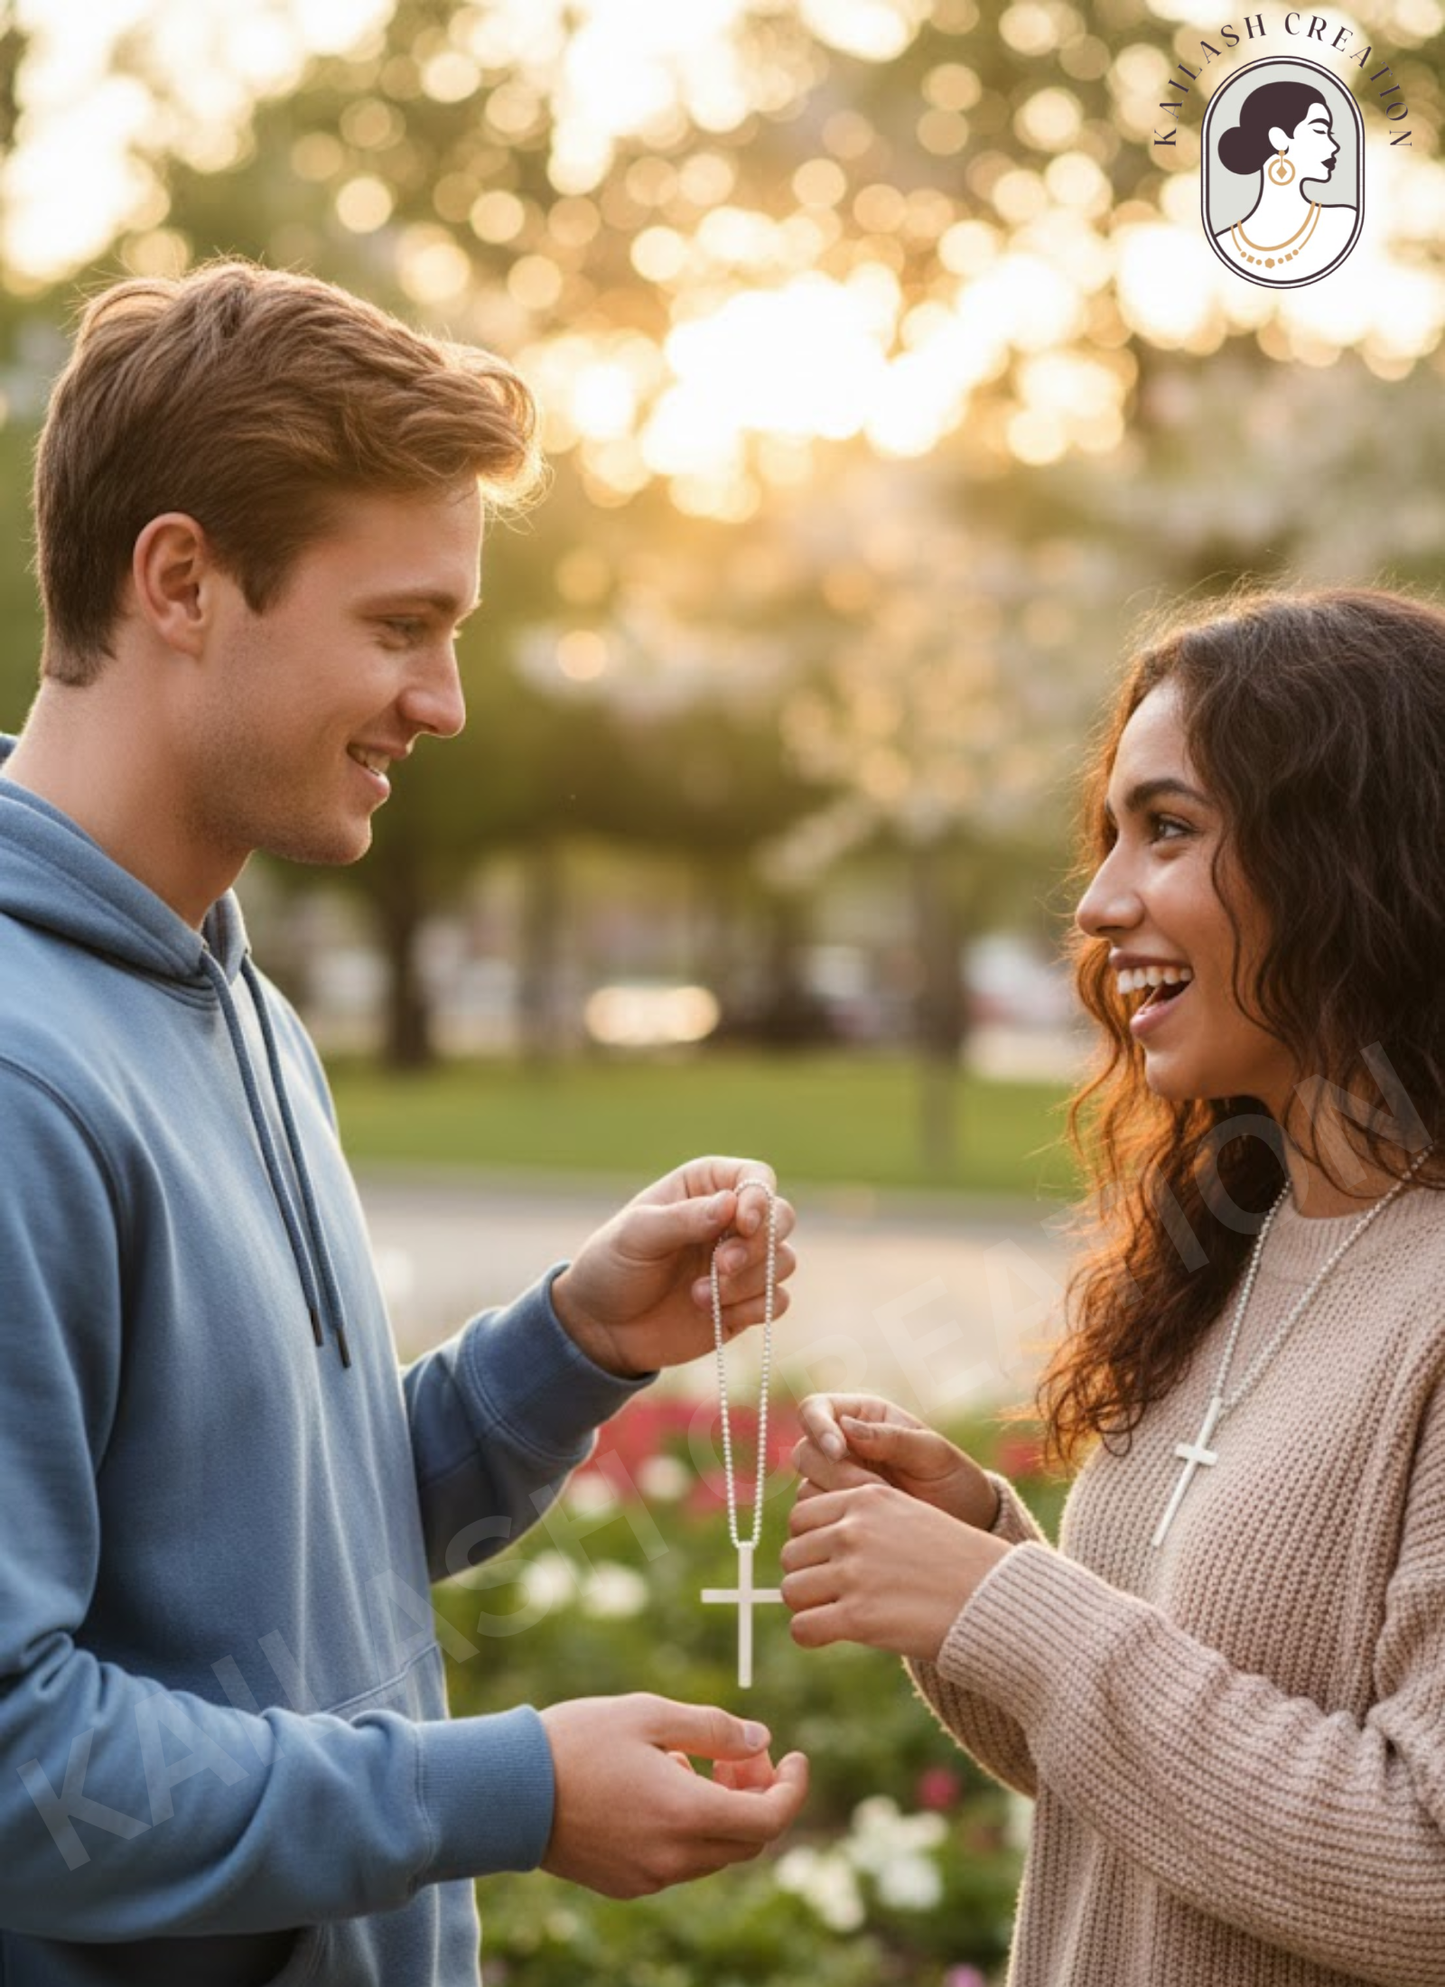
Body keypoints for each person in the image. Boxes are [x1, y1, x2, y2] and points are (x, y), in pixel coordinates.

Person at [0, 260, 808, 1987]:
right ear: (181, 581)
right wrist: (501, 1790)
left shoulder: (241, 1002)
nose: (443, 703)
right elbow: (16, 1768)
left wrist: (575, 1341)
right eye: (399, 626)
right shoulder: (18, 1075)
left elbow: (265, 1567)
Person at [783, 587, 1445, 1986]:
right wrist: (991, 1552)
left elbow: (1423, 1873)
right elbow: (1158, 1787)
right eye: (1111, 835)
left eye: (1170, 828)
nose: (1096, 903)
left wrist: (1011, 1606)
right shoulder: (1237, 1239)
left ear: (1351, 856)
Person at [1211, 80, 1356, 280]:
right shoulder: (1226, 241)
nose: (1334, 146)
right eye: (1320, 131)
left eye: (1330, 133)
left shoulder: (1344, 222)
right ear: (1279, 138)